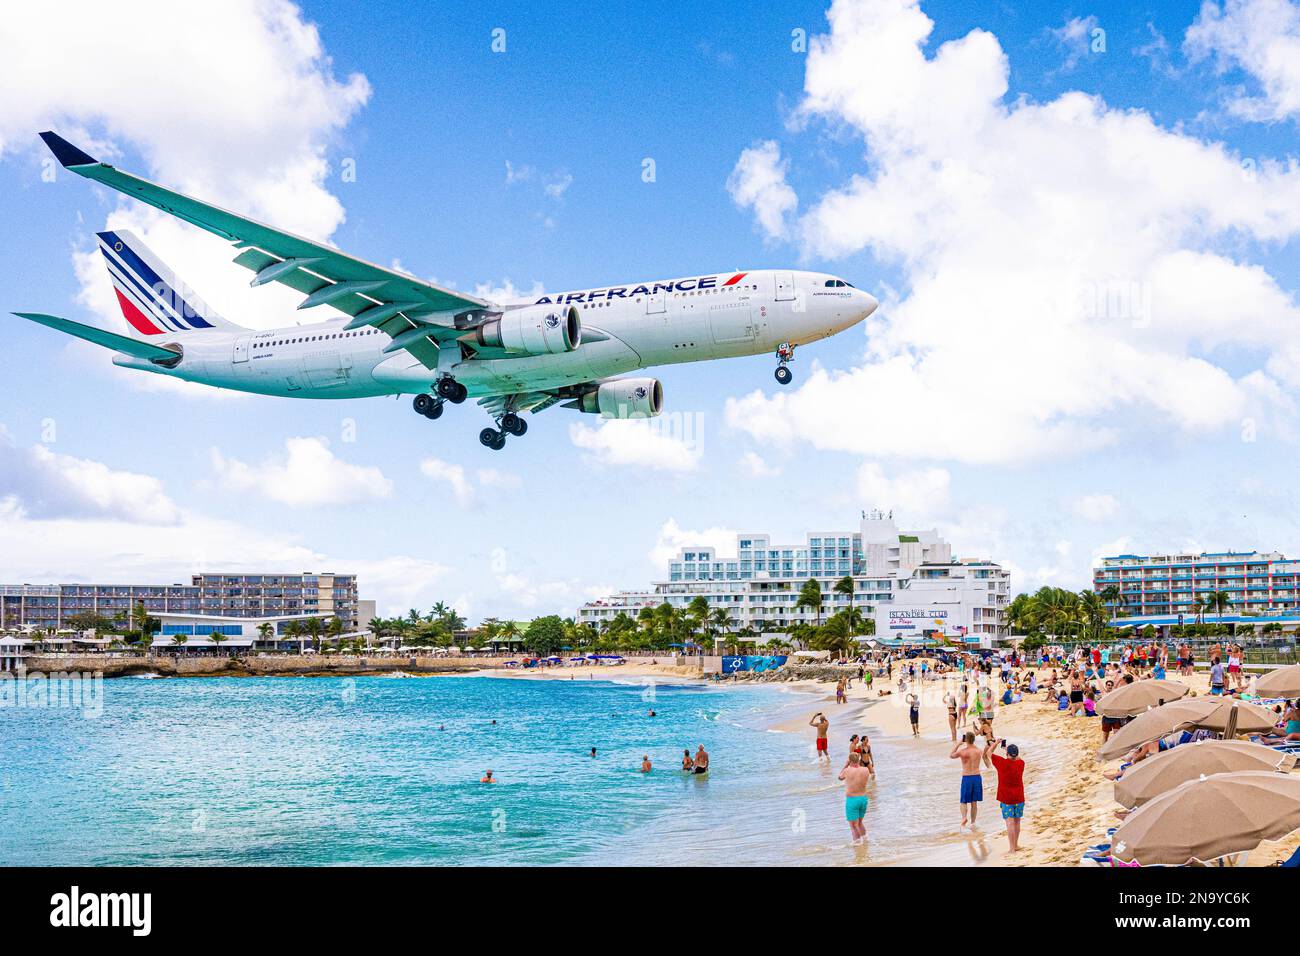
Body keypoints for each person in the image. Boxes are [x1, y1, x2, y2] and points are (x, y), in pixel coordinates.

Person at [985, 738, 1026, 852]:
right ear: (1016, 754)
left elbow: (989, 753)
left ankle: (1012, 848)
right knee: (1017, 821)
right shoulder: (1021, 763)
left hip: (1006, 797)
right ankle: (1016, 845)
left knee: (1009, 822)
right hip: (1019, 797)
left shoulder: (1001, 763)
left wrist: (996, 743)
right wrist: (1007, 749)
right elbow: (1017, 758)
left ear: (1007, 754)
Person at [949, 732, 985, 829]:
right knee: (974, 802)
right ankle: (973, 823)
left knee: (963, 801)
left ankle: (964, 818)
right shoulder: (978, 751)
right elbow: (983, 755)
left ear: (966, 740)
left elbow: (951, 755)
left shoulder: (963, 752)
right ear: (973, 740)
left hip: (967, 777)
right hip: (977, 777)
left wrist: (959, 743)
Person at [838, 752, 872, 845]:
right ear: (859, 759)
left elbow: (840, 777)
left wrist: (846, 765)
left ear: (850, 761)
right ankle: (865, 841)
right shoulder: (865, 770)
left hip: (852, 800)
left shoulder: (847, 771)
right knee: (860, 823)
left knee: (853, 825)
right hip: (863, 799)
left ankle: (858, 845)